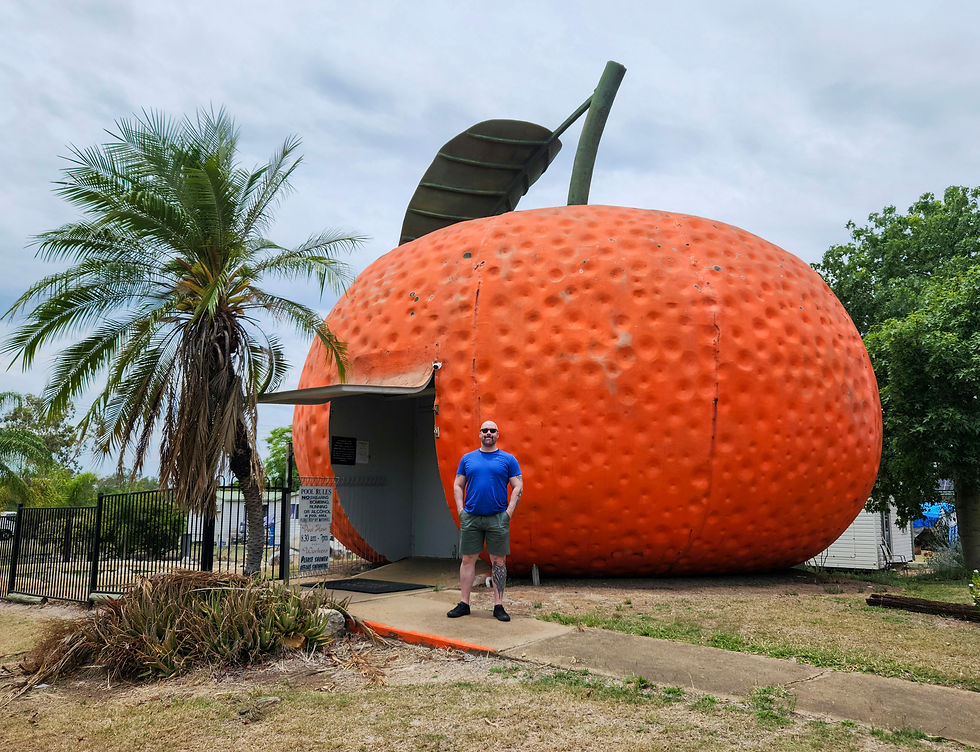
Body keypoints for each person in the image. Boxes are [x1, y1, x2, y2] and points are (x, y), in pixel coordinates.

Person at [447, 420, 523, 622]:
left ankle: (498, 606)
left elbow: (518, 485)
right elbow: (457, 484)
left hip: (498, 518)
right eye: (484, 430)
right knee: (467, 559)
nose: (488, 433)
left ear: (498, 434)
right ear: (479, 434)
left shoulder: (508, 459)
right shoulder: (468, 459)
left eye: (492, 430)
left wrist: (508, 513)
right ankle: (464, 603)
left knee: (498, 561)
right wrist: (461, 510)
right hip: (471, 517)